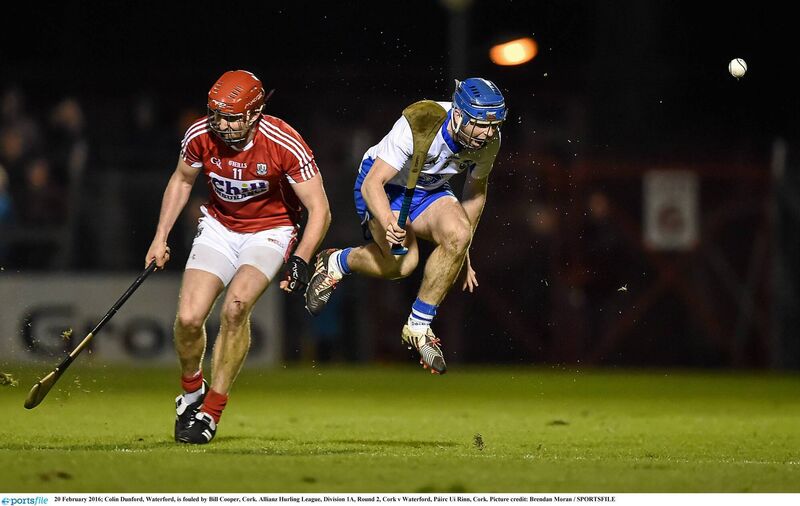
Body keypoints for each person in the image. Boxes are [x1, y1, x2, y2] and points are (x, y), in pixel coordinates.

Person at [145, 70, 330, 444]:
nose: (222, 124)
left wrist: (302, 258)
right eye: (217, 115)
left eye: (232, 117)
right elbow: (181, 180)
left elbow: (320, 209)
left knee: (235, 308)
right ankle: (192, 391)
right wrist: (160, 236)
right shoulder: (200, 135)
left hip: (271, 231)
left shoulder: (285, 142)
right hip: (218, 227)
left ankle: (211, 410)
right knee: (189, 317)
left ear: (255, 112)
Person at [305, 78, 507, 375]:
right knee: (403, 264)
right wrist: (388, 221)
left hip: (430, 191)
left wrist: (464, 252)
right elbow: (373, 183)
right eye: (480, 125)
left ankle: (419, 325)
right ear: (460, 114)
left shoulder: (490, 141)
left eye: (493, 126)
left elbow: (476, 192)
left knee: (459, 234)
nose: (487, 134)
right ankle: (339, 261)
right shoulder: (420, 122)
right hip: (385, 188)